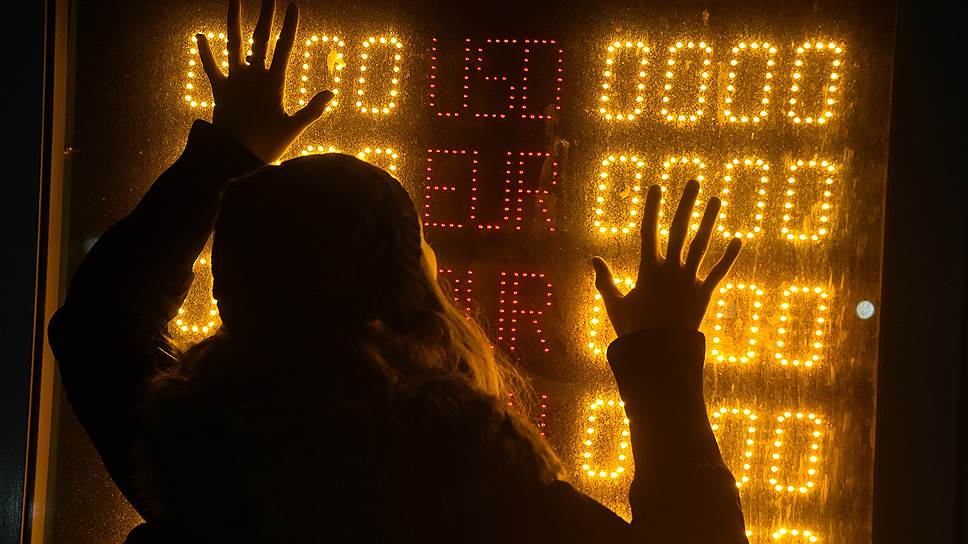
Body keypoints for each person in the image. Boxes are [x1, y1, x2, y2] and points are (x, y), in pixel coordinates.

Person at [47, 0, 748, 542]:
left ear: (235, 295)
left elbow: (97, 328)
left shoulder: (207, 463)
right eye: (427, 263)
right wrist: (659, 357)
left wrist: (222, 158)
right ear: (411, 296)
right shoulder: (480, 490)